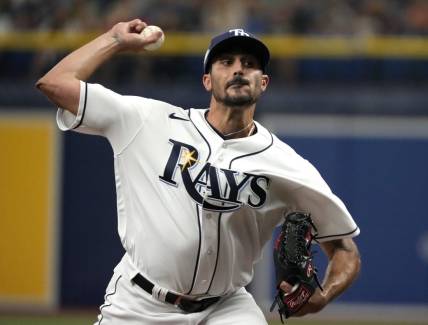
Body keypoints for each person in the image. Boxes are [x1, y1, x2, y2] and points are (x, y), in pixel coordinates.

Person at [36, 19, 361, 325]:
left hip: (227, 307)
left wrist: (322, 296)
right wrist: (114, 39)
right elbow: (54, 82)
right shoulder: (146, 121)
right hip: (139, 304)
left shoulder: (287, 165)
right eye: (226, 62)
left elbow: (345, 250)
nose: (238, 69)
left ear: (263, 83)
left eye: (249, 64)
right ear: (207, 79)